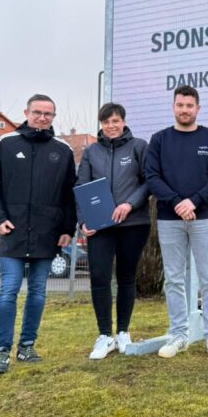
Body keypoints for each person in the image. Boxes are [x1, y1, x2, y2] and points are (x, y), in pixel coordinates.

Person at [0, 93, 77, 376]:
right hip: (13, 233)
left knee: (37, 292)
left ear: (53, 117)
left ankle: (27, 346)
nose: (42, 118)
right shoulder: (6, 144)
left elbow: (70, 195)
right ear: (27, 113)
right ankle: (1, 353)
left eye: (48, 114)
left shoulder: (63, 150)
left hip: (47, 235)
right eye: (38, 112)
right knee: (8, 291)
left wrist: (67, 229)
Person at [145, 85, 208, 359]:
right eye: (180, 105)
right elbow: (152, 177)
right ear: (173, 107)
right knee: (173, 279)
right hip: (170, 219)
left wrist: (193, 202)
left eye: (189, 106)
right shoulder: (159, 140)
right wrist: (177, 203)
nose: (184, 110)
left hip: (204, 217)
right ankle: (178, 335)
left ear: (198, 108)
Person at [76, 102, 151, 359]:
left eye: (115, 121)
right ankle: (105, 336)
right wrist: (83, 221)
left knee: (126, 277)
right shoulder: (91, 151)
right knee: (99, 277)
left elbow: (148, 182)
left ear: (124, 122)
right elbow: (81, 187)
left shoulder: (139, 147)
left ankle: (123, 332)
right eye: (106, 122)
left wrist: (129, 204)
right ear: (101, 124)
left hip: (134, 223)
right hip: (100, 227)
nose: (111, 126)